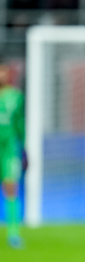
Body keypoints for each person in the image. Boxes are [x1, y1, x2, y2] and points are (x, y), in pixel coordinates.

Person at [0, 63, 26, 249]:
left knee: (11, 188)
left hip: (8, 150)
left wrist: (24, 149)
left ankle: (13, 234)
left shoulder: (16, 97)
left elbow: (20, 124)